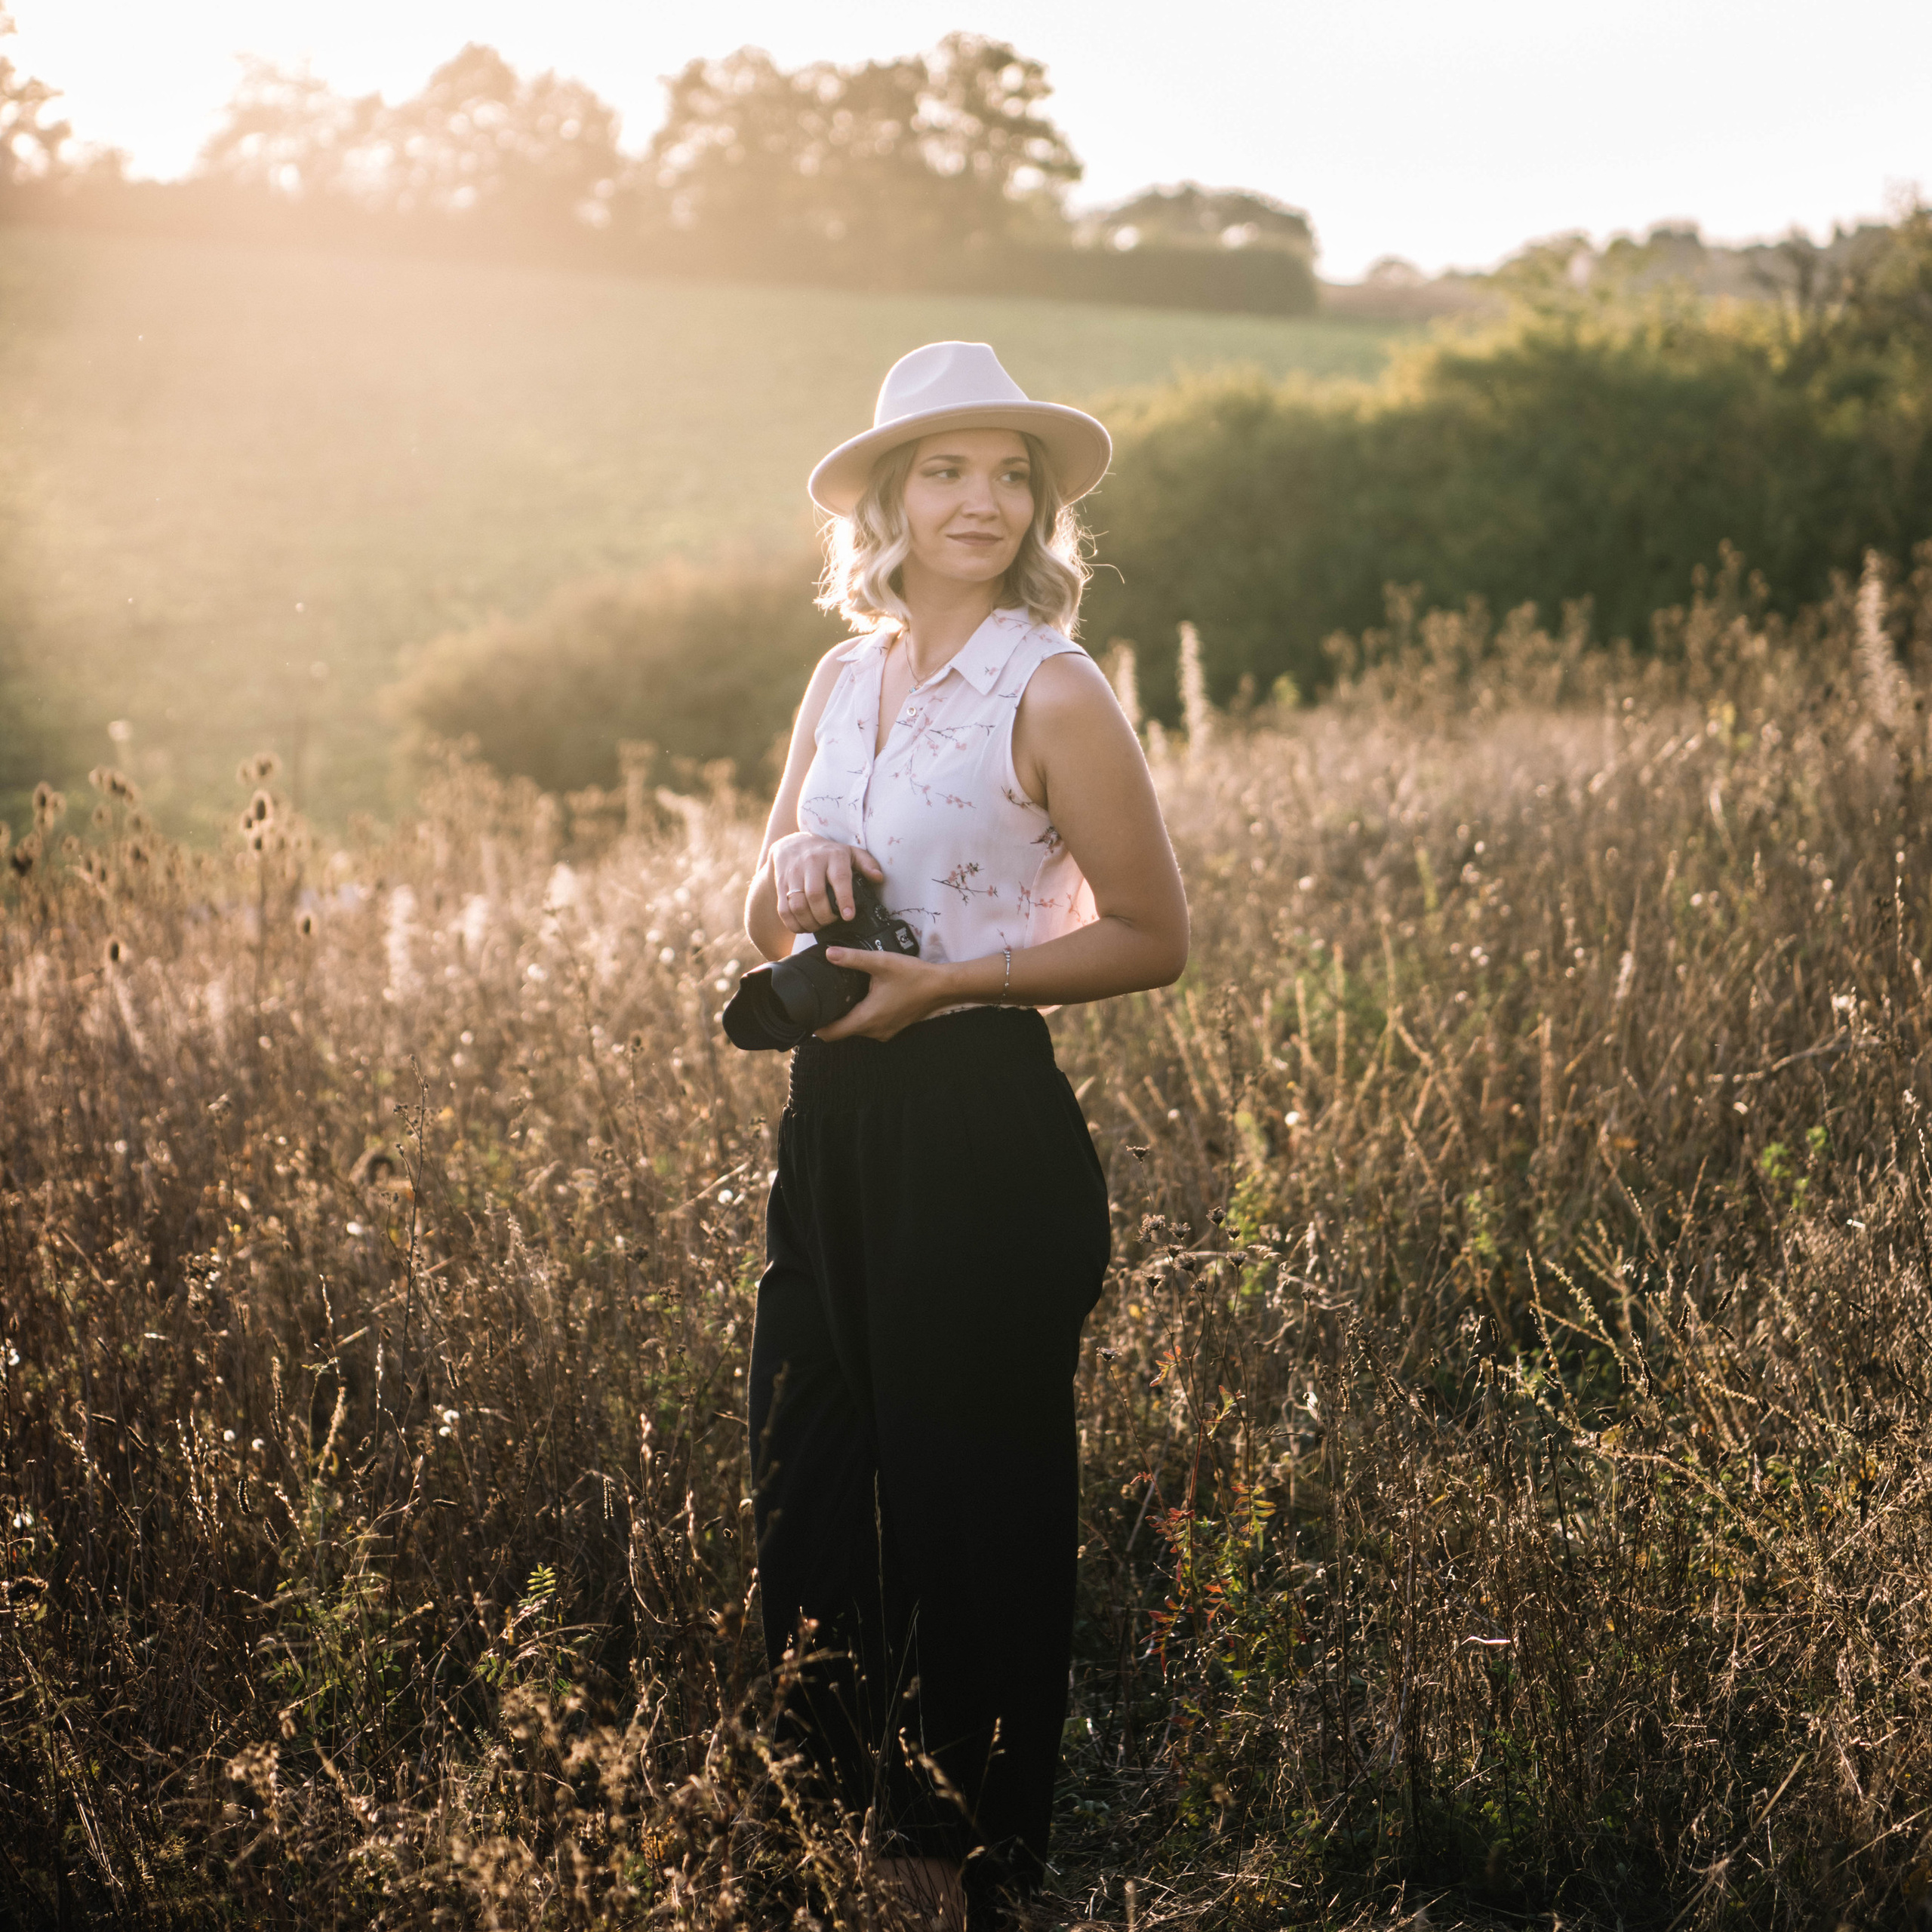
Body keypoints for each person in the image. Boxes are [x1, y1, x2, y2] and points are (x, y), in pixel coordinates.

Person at [741, 340, 1189, 1930]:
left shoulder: (1051, 687)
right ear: (883, 498)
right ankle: (826, 1814)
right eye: (944, 470)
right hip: (834, 1119)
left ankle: (962, 1856)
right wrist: (796, 856)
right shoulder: (837, 679)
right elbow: (751, 896)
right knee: (805, 1478)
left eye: (1010, 473)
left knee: (969, 1507)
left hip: (984, 1119)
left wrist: (942, 986)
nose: (981, 500)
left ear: (1040, 507)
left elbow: (1151, 933)